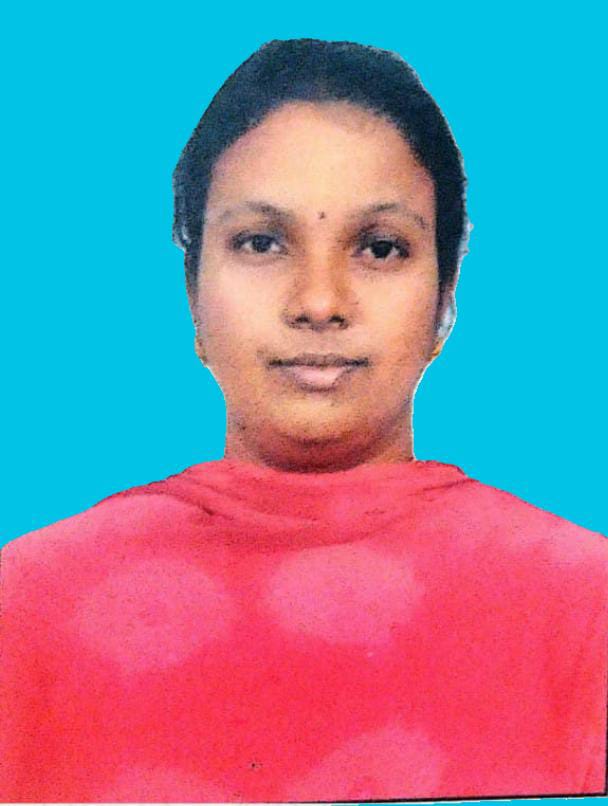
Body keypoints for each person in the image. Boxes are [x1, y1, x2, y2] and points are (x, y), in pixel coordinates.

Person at [1, 38, 606, 803]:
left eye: (380, 248)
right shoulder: (27, 606)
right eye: (261, 242)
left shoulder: (585, 608)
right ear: (192, 289)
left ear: (446, 297)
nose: (319, 302)